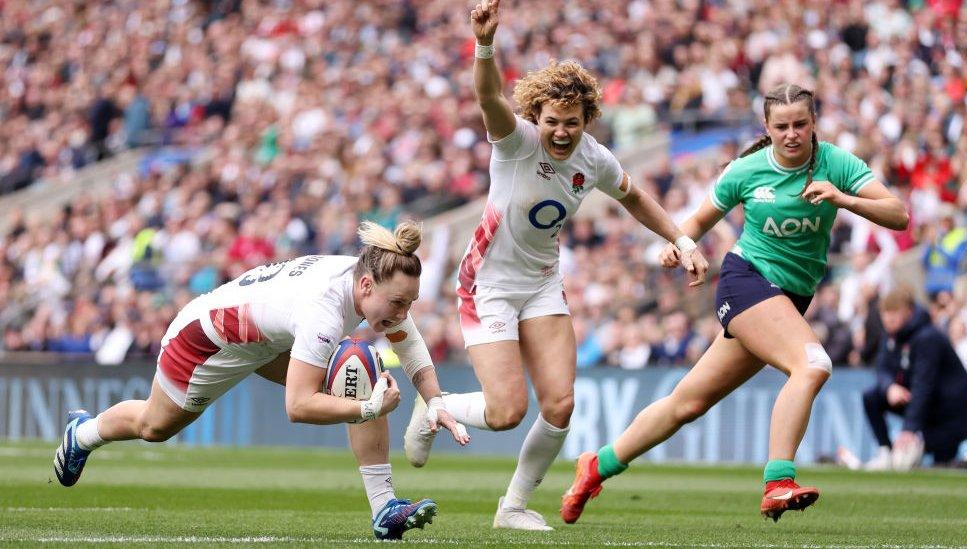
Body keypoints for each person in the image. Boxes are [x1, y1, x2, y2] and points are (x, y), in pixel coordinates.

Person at [402, 0, 708, 532]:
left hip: (542, 284)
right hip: (488, 283)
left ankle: (513, 508)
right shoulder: (516, 142)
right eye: (551, 122)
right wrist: (484, 44)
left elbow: (634, 198)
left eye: (571, 122)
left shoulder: (595, 158)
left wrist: (681, 237)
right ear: (534, 117)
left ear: (588, 119)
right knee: (505, 413)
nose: (561, 132)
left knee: (561, 405)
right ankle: (436, 407)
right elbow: (486, 94)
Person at [560, 83, 910, 524]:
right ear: (767, 127)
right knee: (813, 365)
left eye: (801, 124)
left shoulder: (836, 163)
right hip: (747, 283)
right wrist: (679, 246)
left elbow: (899, 214)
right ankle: (778, 480)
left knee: (687, 403)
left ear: (814, 123)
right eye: (781, 126)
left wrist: (843, 198)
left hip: (788, 298)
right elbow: (697, 222)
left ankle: (596, 467)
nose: (792, 134)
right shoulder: (746, 170)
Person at [53, 221, 470, 541]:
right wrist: (368, 409)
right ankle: (84, 434)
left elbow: (409, 343)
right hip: (206, 339)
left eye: (409, 303)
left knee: (360, 365)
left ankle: (384, 510)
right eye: (398, 303)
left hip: (265, 335)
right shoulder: (325, 310)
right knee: (154, 426)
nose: (401, 313)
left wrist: (436, 401)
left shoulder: (374, 276)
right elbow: (298, 405)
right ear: (366, 286)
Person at [861, 284, 967, 470]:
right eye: (885, 313)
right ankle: (885, 452)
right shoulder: (891, 336)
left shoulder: (928, 337)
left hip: (949, 416)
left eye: (894, 312)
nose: (888, 319)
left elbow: (924, 386)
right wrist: (890, 386)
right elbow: (881, 368)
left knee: (941, 466)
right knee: (871, 396)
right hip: (924, 408)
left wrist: (909, 429)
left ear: (908, 311)